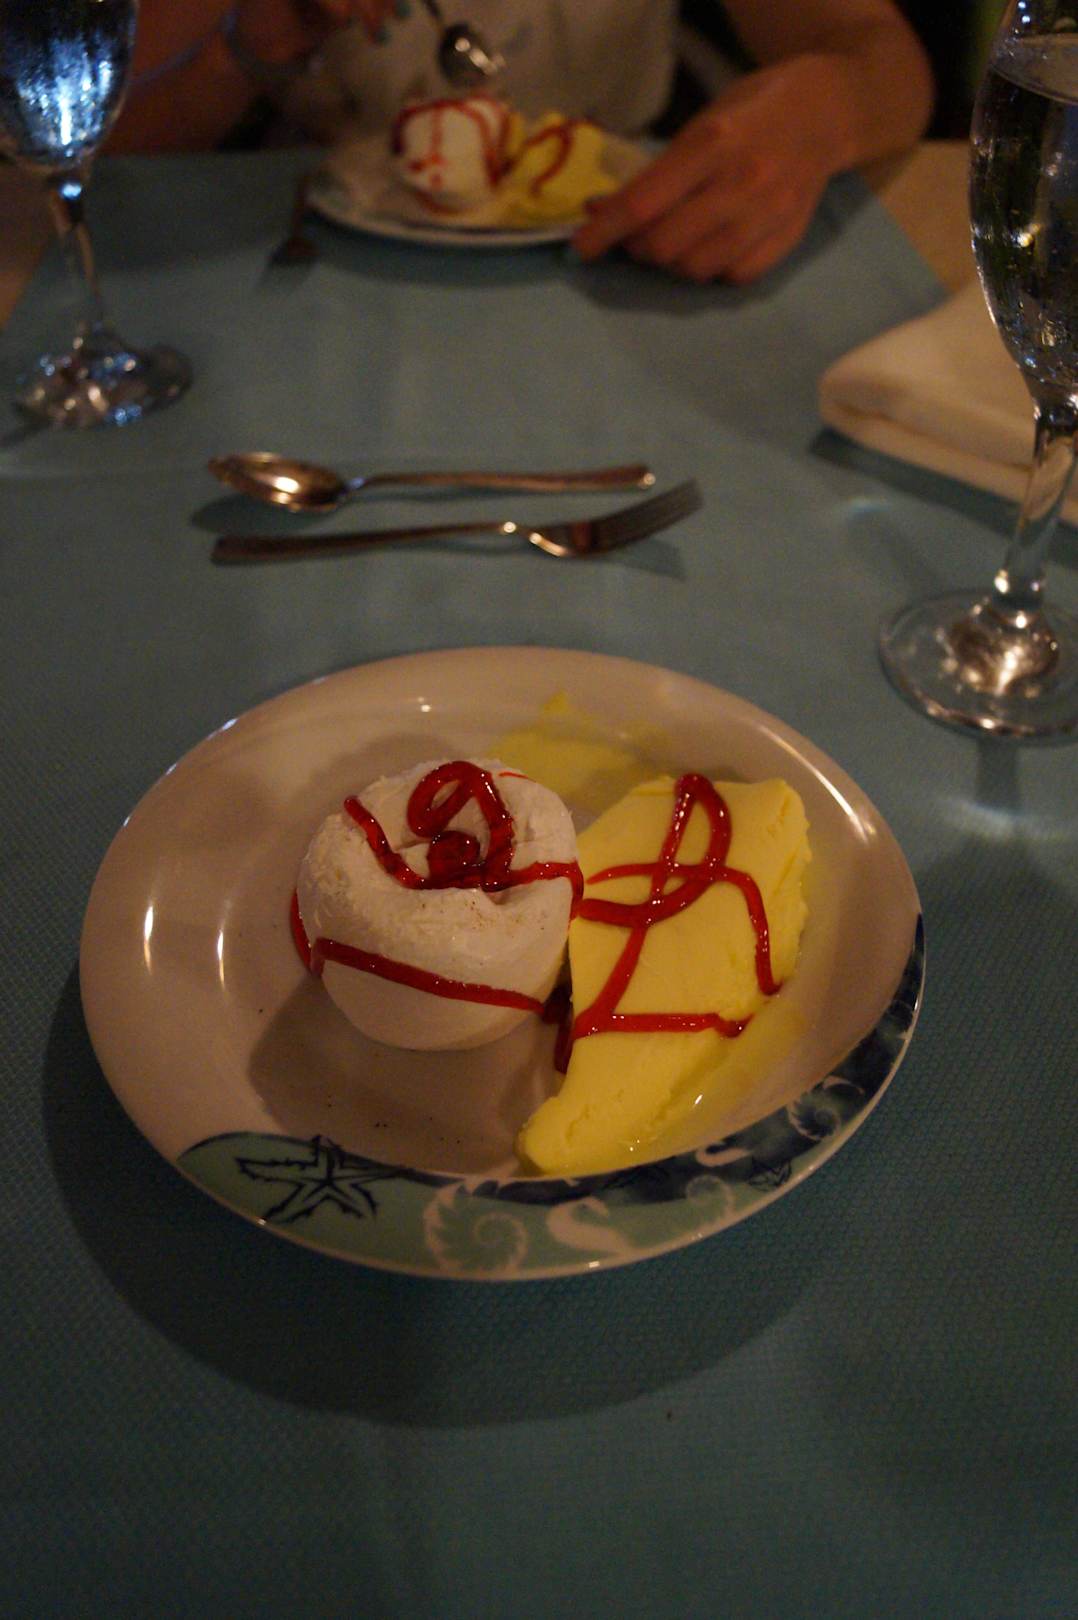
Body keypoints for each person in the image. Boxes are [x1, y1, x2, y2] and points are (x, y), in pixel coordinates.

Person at [112, 1, 933, 286]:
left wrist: (825, 110)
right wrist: (248, 48)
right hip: (322, 263)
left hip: (629, 250)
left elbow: (882, 56)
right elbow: (103, 162)